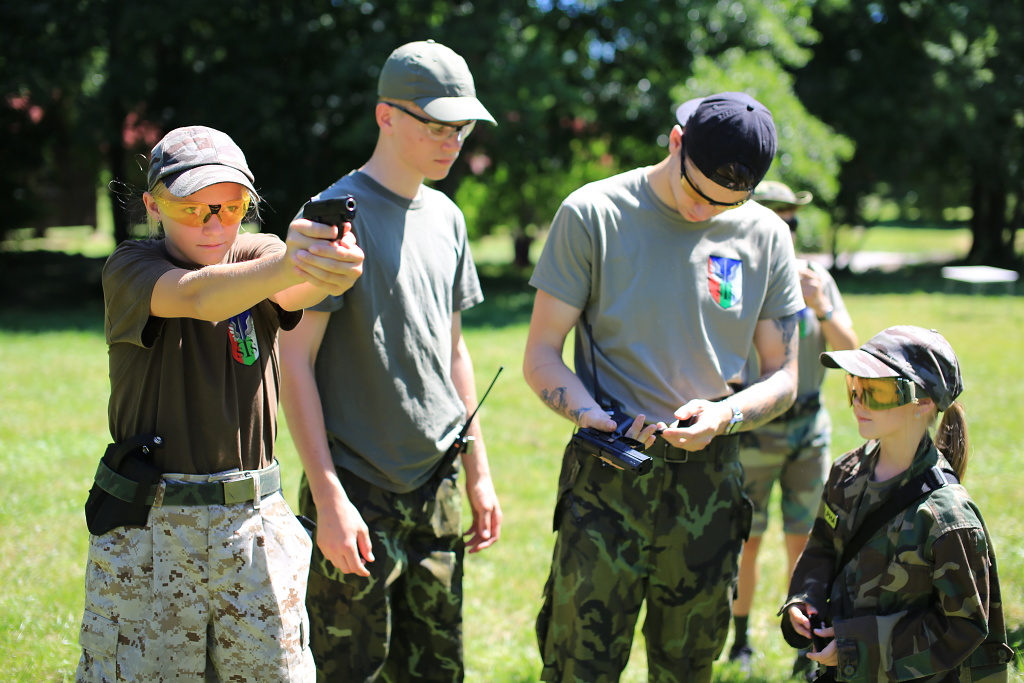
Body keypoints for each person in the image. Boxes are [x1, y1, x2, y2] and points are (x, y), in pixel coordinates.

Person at [523, 92, 805, 683]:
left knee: (688, 668)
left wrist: (725, 416)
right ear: (676, 143)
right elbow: (542, 354)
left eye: (727, 203)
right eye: (697, 192)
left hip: (711, 483)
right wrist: (587, 414)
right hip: (608, 473)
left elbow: (784, 375)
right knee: (579, 665)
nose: (705, 213)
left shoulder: (766, 235)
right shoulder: (593, 214)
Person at [76, 125, 364, 682]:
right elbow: (200, 295)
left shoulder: (259, 253)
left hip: (252, 523)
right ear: (152, 207)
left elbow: (295, 288)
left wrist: (327, 268)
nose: (214, 224)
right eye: (192, 209)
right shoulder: (131, 266)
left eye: (231, 208)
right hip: (151, 529)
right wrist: (295, 264)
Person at [279, 39, 502, 682]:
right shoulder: (332, 221)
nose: (451, 142)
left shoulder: (449, 217)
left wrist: (479, 474)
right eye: (436, 125)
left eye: (461, 128)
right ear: (386, 116)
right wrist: (328, 498)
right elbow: (293, 363)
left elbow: (453, 352)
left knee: (438, 670)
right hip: (357, 488)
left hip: (438, 484)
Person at [781, 326, 1015, 682]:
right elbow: (823, 548)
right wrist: (805, 598)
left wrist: (856, 647)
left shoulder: (946, 516)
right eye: (854, 386)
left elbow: (964, 627)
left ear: (923, 403)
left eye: (876, 391)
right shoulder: (847, 473)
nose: (859, 402)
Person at [728, 181, 859, 676]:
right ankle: (739, 641)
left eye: (792, 220)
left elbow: (851, 353)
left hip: (808, 430)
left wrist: (821, 305)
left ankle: (805, 647)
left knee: (805, 544)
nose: (786, 228)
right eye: (775, 217)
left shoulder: (815, 278)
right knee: (747, 540)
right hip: (754, 432)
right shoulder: (734, 275)